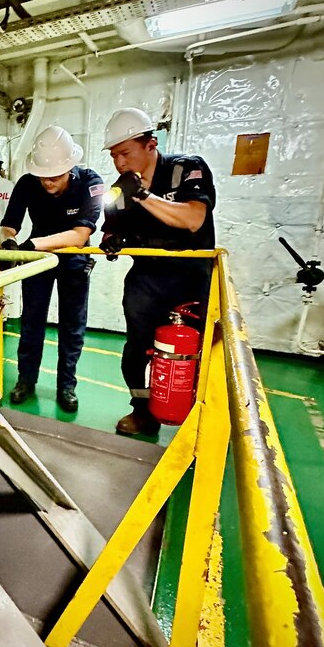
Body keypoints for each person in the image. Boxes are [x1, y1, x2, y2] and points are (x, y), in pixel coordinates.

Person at [101, 107, 216, 436]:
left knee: (197, 351)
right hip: (147, 279)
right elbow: (107, 228)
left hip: (192, 277)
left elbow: (193, 220)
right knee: (136, 348)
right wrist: (111, 240)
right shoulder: (119, 189)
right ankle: (142, 411)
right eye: (114, 156)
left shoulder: (187, 169)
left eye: (125, 153)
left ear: (151, 144)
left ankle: (197, 417)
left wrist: (141, 194)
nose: (120, 162)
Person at [0, 126, 104, 413]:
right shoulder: (27, 183)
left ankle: (66, 386)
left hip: (72, 257)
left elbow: (80, 235)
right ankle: (25, 380)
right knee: (32, 322)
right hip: (38, 260)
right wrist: (8, 241)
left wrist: (31, 245)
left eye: (55, 176)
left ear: (70, 167)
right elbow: (10, 224)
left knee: (72, 326)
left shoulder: (91, 183)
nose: (47, 182)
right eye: (42, 176)